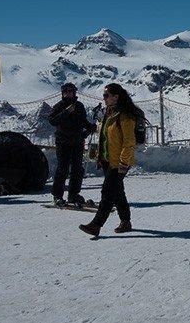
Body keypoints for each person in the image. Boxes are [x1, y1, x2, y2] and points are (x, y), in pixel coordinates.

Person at [79, 83, 138, 236]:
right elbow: (104, 137)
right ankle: (125, 221)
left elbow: (129, 142)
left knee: (107, 191)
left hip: (119, 161)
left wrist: (123, 163)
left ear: (115, 97)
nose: (104, 98)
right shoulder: (109, 113)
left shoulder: (125, 116)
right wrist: (100, 156)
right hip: (108, 159)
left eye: (106, 95)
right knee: (117, 191)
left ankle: (96, 224)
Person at [48, 83, 96, 207]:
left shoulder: (79, 106)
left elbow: (83, 121)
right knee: (62, 169)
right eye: (66, 92)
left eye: (70, 91)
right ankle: (57, 196)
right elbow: (52, 121)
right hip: (63, 142)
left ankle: (73, 195)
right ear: (62, 93)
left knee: (77, 169)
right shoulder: (59, 106)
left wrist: (90, 127)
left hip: (77, 142)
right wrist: (66, 112)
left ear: (74, 93)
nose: (68, 94)